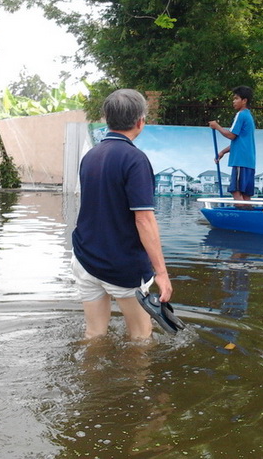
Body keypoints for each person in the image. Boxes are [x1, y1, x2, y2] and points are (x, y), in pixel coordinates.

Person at [72, 89, 173, 340]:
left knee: (94, 334)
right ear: (141, 122)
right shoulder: (135, 159)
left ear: (106, 118)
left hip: (86, 258)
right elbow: (144, 219)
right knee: (141, 338)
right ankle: (133, 381)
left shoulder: (90, 156)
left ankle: (91, 378)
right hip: (122, 264)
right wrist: (161, 273)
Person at [209, 86, 256, 204]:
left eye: (236, 98)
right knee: (245, 194)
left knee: (236, 190)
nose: (233, 101)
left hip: (240, 160)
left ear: (244, 101)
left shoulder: (241, 115)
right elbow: (239, 141)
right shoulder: (249, 116)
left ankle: (242, 218)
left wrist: (217, 126)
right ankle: (248, 217)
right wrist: (223, 152)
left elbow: (231, 135)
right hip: (248, 161)